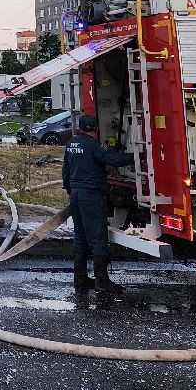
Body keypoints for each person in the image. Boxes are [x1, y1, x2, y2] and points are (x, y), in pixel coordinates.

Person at [62, 113, 130, 296]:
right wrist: (138, 156)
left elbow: (65, 172)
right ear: (96, 129)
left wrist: (71, 191)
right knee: (98, 236)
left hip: (76, 195)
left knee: (80, 236)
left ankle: (80, 278)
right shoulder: (93, 145)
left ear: (80, 128)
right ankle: (102, 281)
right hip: (91, 196)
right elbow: (112, 160)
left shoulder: (71, 144)